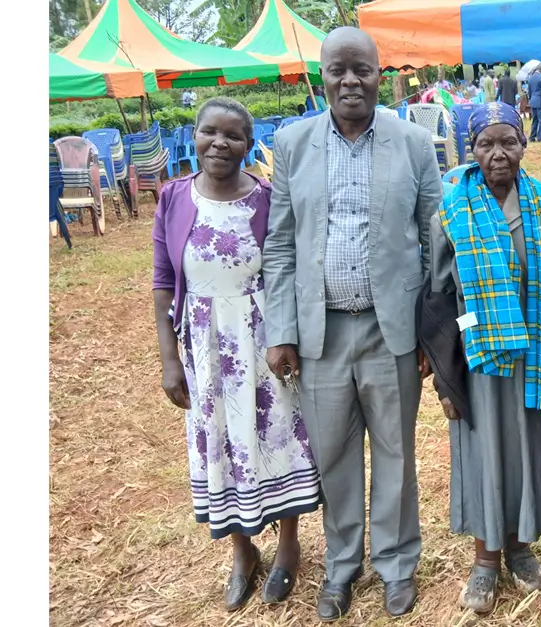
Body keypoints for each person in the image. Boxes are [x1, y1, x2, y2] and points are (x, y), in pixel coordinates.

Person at [262, 27, 442, 621]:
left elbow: (434, 241)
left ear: (379, 73)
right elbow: (282, 244)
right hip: (321, 333)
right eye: (337, 70)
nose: (349, 81)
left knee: (395, 452)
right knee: (334, 455)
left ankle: (395, 565)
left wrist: (428, 331)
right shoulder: (292, 145)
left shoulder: (415, 144)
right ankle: (342, 568)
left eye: (361, 69)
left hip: (392, 329)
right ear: (322, 75)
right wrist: (281, 330)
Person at [151, 97, 321, 613]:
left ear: (250, 145)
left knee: (277, 435)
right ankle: (243, 552)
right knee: (221, 441)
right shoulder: (174, 198)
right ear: (195, 135)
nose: (219, 143)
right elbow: (163, 280)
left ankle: (289, 545)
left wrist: (284, 336)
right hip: (204, 342)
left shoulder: (267, 199)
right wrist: (168, 359)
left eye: (233, 135)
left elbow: (287, 270)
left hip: (264, 339)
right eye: (209, 132)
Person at [421, 101, 541, 614]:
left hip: (536, 353)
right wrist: (447, 372)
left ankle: (520, 547)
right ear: (471, 149)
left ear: (524, 145)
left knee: (528, 447)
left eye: (508, 141)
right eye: (486, 143)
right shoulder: (451, 209)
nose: (498, 153)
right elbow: (440, 293)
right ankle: (486, 560)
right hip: (479, 356)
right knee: (486, 451)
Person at [527, 65, 541, 142]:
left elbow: (529, 92)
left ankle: (532, 137)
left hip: (533, 101)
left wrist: (530, 100)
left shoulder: (530, 78)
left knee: (535, 120)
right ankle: (540, 137)